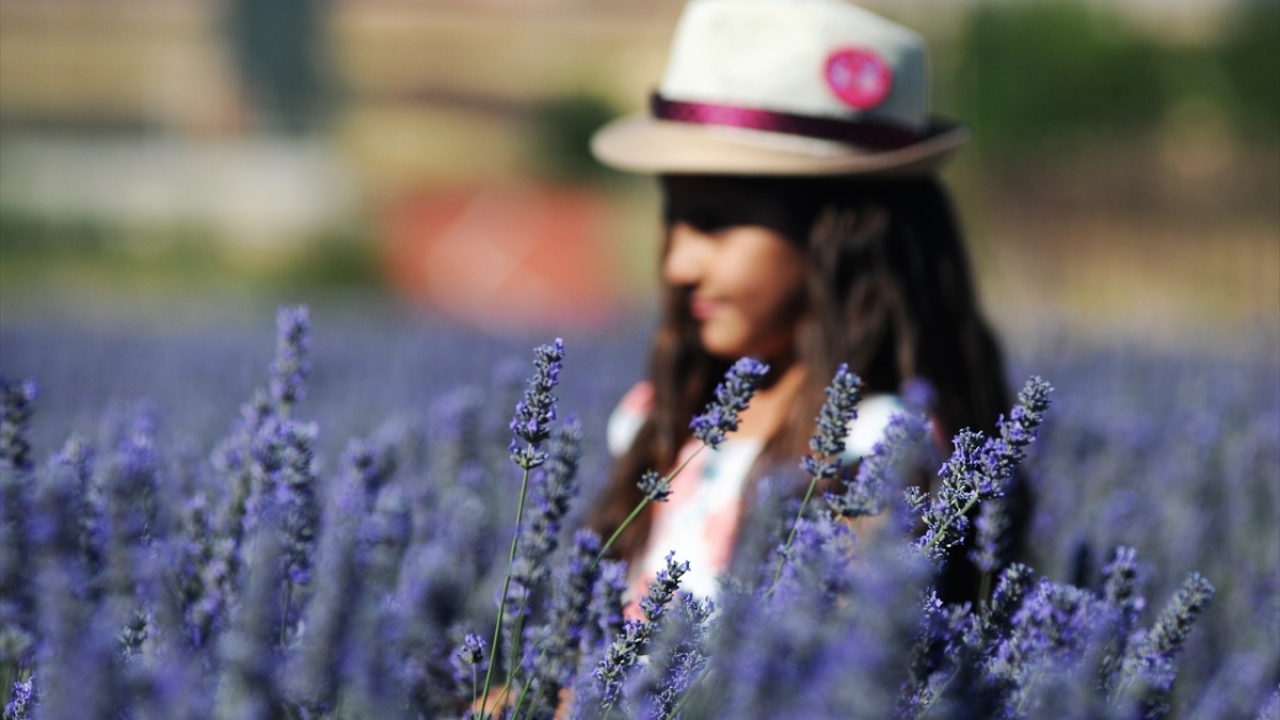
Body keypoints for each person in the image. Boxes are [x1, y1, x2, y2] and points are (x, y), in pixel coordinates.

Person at [584, 0, 1031, 607]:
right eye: (674, 219)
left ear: (837, 241)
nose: (677, 264)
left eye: (715, 225)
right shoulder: (663, 421)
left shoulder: (874, 451)